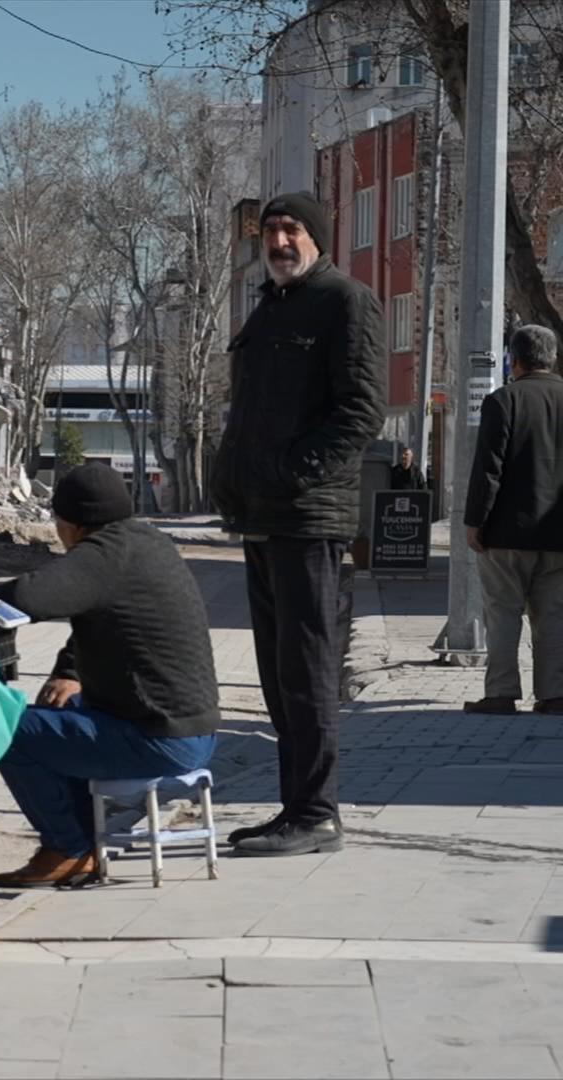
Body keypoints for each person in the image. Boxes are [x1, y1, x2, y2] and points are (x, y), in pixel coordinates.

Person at [211, 192, 385, 857]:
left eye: (292, 230)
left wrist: (292, 470)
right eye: (271, 231)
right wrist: (229, 477)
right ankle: (295, 810)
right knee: (279, 673)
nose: (279, 241)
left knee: (308, 669)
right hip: (260, 517)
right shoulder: (271, 305)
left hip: (307, 516)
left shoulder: (345, 301)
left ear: (318, 237)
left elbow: (361, 410)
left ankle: (316, 813)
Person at [0, 464, 220, 887]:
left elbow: (30, 595)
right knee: (56, 708)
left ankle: (69, 849)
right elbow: (107, 614)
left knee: (2, 725)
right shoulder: (145, 542)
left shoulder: (101, 554)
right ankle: (81, 839)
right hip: (190, 731)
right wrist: (69, 672)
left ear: (70, 524)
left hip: (159, 740)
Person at [462, 324, 563, 716]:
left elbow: (488, 467)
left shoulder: (504, 400)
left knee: (503, 611)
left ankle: (502, 693)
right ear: (551, 358)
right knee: (554, 614)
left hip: (505, 533)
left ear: (514, 360)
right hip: (558, 536)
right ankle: (554, 695)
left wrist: (475, 522)